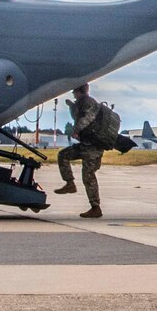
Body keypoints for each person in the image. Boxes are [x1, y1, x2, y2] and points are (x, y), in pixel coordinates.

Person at [52, 83, 108, 219]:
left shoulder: (89, 102)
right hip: (86, 145)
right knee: (63, 155)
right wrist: (72, 106)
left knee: (88, 175)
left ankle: (96, 208)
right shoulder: (81, 103)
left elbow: (87, 118)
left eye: (74, 92)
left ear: (79, 91)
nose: (73, 95)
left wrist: (76, 130)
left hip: (94, 147)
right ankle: (70, 184)